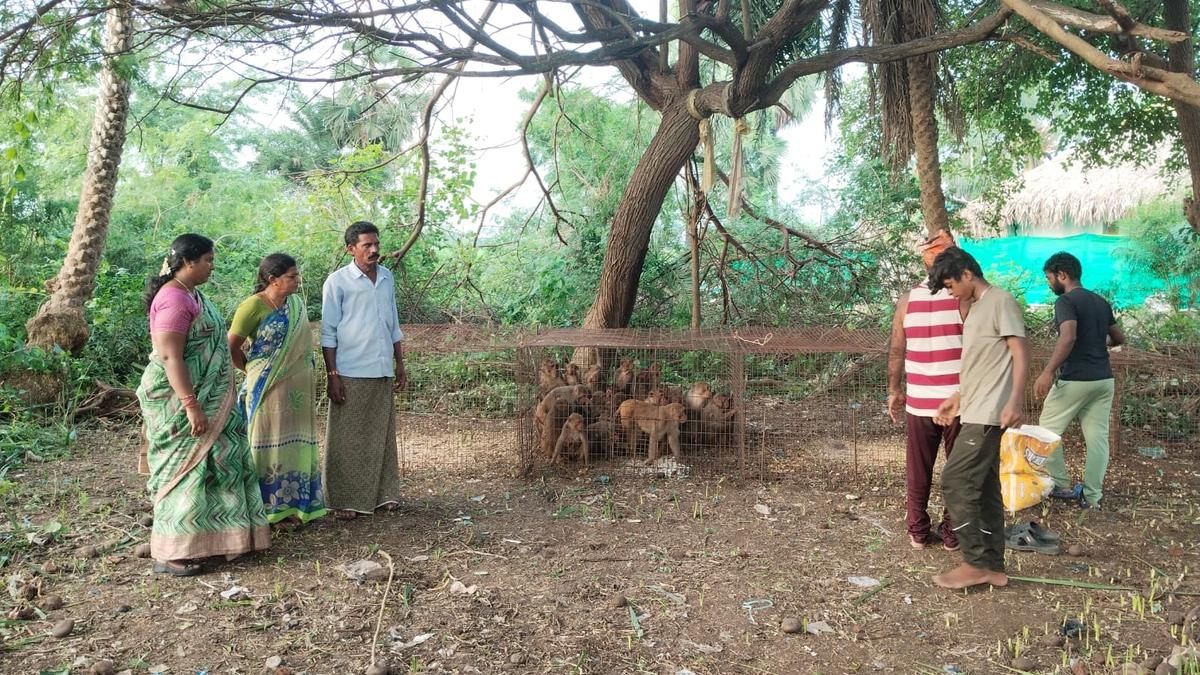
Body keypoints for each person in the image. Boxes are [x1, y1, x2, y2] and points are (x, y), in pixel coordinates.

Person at [135, 234, 269, 576]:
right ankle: (170, 552)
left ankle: (225, 539)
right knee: (184, 472)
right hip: (182, 401)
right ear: (188, 261)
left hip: (214, 399)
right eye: (208, 260)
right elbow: (170, 356)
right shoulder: (174, 300)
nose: (212, 265)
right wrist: (191, 405)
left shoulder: (193, 294)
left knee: (223, 461)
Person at [929, 247, 1028, 590]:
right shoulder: (976, 310)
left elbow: (1020, 352)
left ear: (967, 274)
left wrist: (1015, 401)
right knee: (985, 487)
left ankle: (974, 562)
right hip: (975, 407)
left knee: (955, 480)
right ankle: (993, 566)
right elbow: (983, 365)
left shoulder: (1000, 301)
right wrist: (957, 398)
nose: (951, 291)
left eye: (951, 284)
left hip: (990, 413)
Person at [228, 253, 328, 530]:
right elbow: (230, 347)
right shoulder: (252, 307)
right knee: (264, 443)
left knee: (294, 443)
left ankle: (293, 505)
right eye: (291, 276)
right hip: (265, 389)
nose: (298, 281)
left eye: (297, 275)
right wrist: (250, 370)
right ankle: (264, 510)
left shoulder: (295, 304)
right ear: (272, 280)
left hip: (298, 391)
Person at [320, 221, 408, 521]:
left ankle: (385, 495)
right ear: (351, 249)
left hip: (382, 366)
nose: (374, 250)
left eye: (376, 244)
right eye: (366, 245)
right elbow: (328, 332)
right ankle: (343, 500)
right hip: (350, 369)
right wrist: (333, 376)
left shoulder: (386, 278)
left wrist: (400, 363)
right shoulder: (338, 281)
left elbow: (393, 324)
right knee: (347, 438)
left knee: (382, 433)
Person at [887, 229, 967, 552]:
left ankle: (918, 533)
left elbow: (896, 350)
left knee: (918, 469)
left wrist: (894, 390)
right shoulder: (963, 300)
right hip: (958, 402)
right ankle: (952, 534)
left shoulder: (907, 301)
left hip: (919, 402)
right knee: (959, 468)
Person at [1033, 252, 1124, 510]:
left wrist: (1048, 371)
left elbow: (1068, 337)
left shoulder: (1066, 301)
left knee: (1046, 432)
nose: (1049, 283)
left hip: (1075, 380)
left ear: (1062, 275)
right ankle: (1092, 498)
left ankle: (1061, 485)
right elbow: (1119, 337)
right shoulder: (1100, 301)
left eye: (1049, 278)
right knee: (1097, 439)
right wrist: (1097, 342)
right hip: (1103, 381)